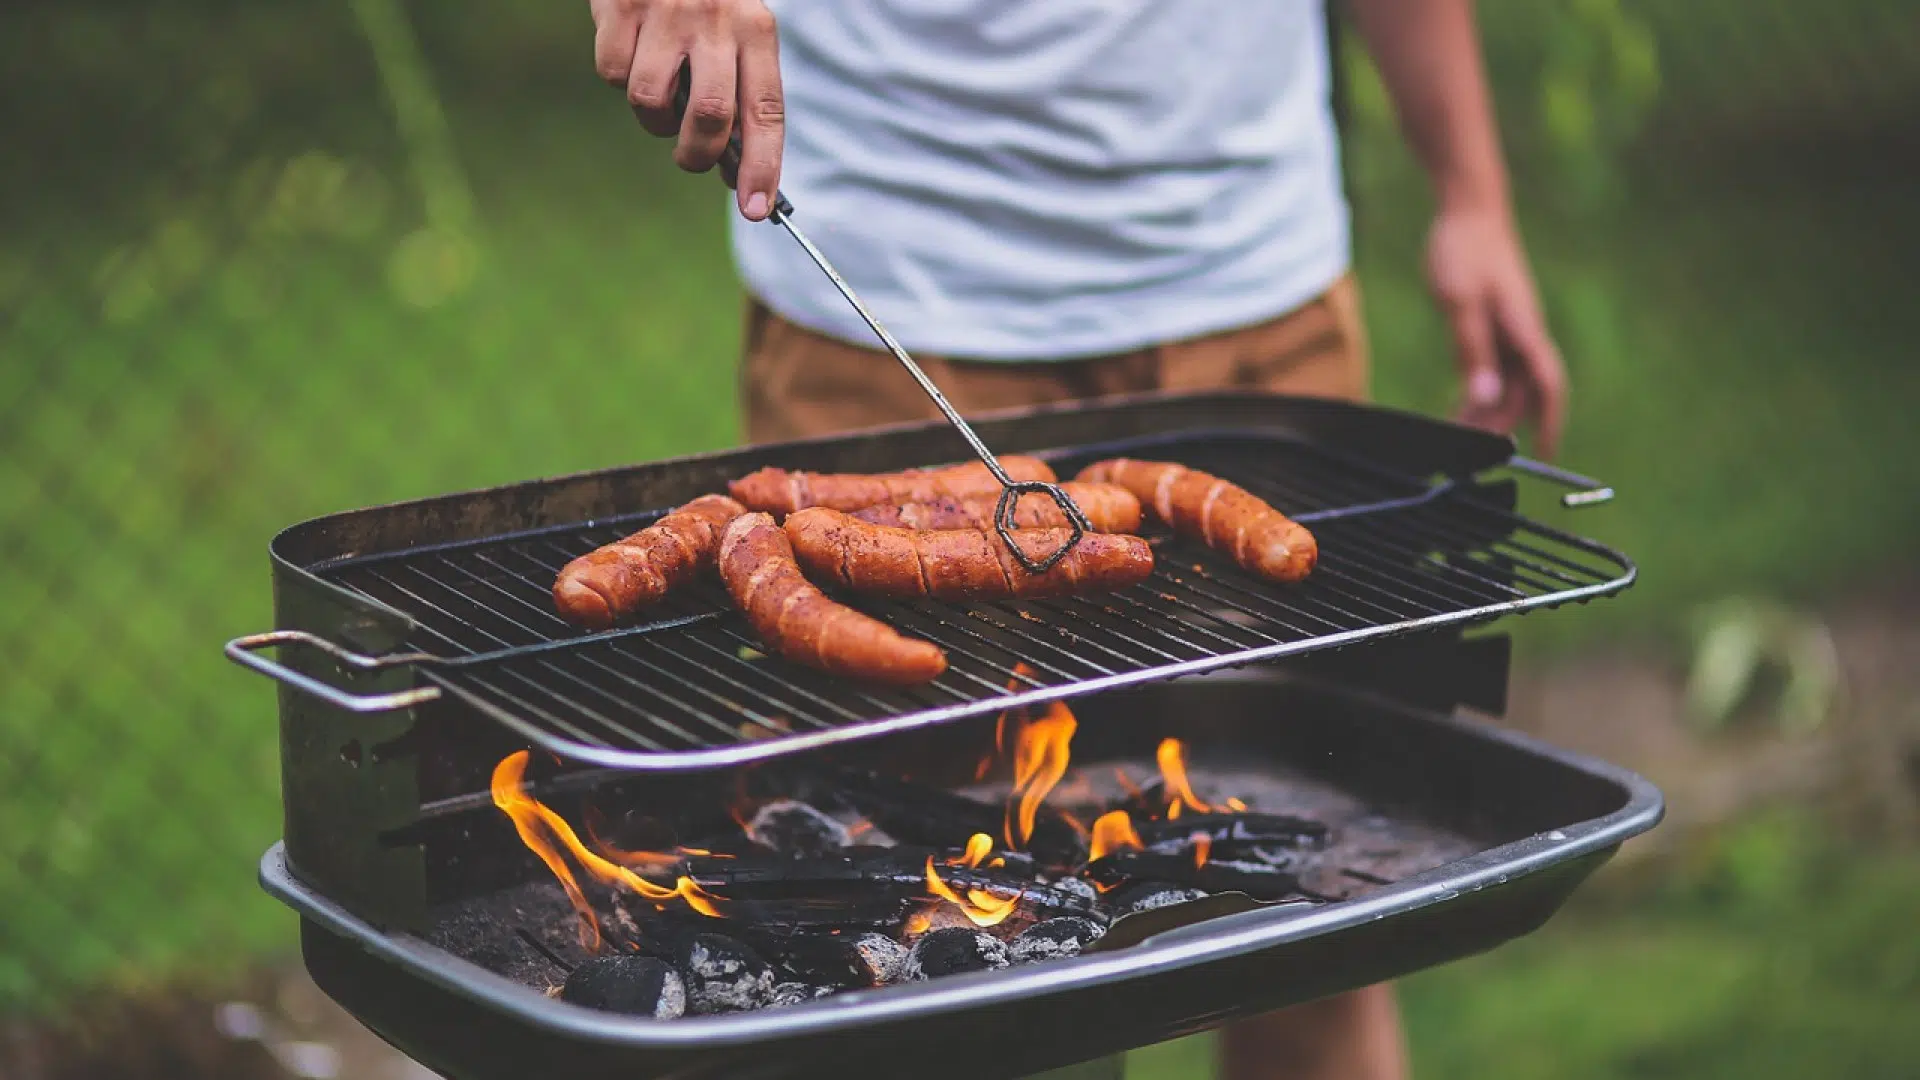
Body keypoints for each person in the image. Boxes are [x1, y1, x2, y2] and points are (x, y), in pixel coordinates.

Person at [590, 1, 1565, 1076]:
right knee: (943, 970)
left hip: (1252, 291)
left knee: (1310, 930)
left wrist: (1472, 194)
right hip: (883, 300)